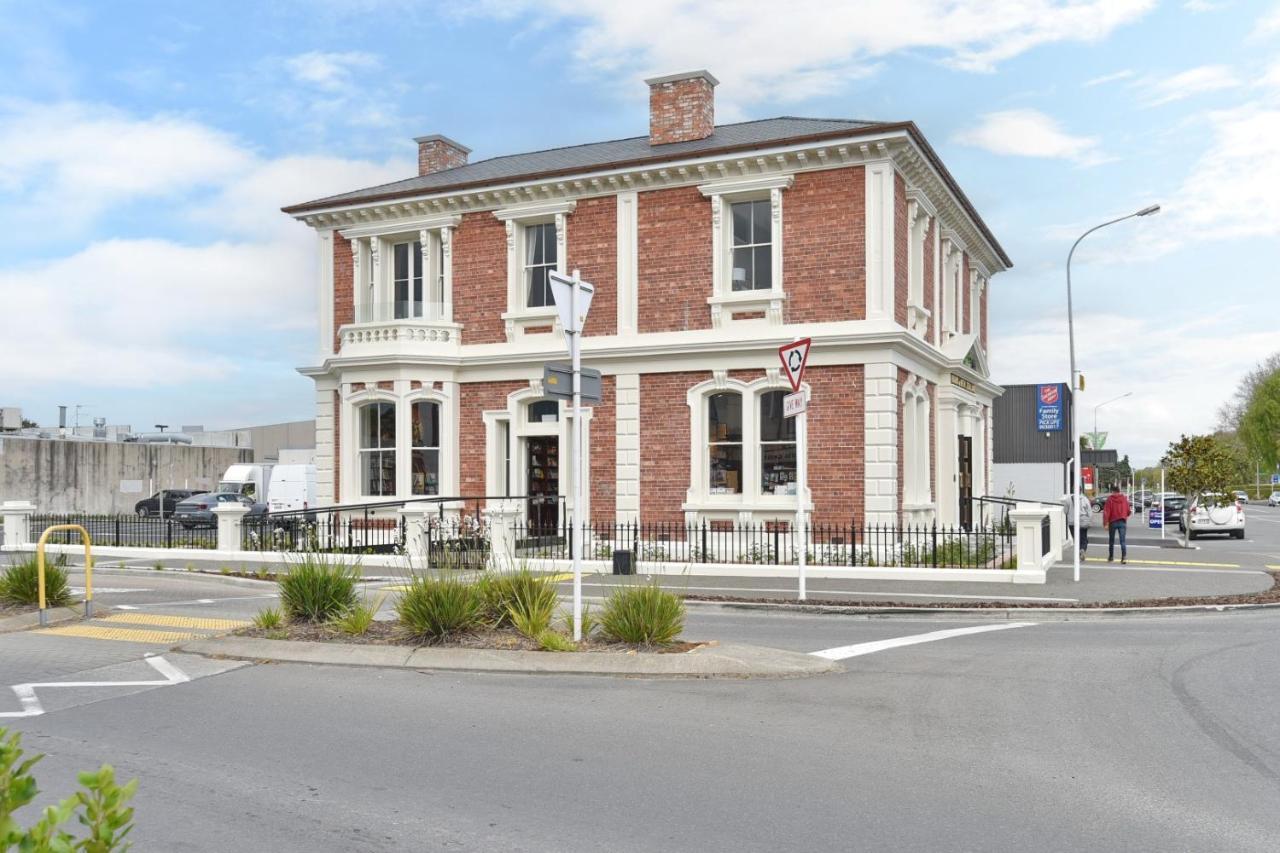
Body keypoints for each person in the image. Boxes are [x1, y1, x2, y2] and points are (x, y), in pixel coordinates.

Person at [1102, 483, 1132, 564]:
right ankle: (1124, 558)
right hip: (1122, 522)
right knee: (1123, 541)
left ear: (1113, 491)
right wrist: (1124, 515)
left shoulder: (1110, 499)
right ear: (1119, 491)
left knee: (1111, 540)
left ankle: (1111, 557)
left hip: (1113, 522)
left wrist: (1105, 523)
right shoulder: (1124, 499)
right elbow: (1129, 511)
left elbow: (1106, 512)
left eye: (1112, 492)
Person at [1074, 490, 1093, 556]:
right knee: (1083, 536)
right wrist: (1090, 520)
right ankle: (1083, 549)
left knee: (1076, 536)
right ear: (1081, 491)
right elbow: (1089, 511)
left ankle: (1079, 549)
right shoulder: (1085, 499)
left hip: (1073, 520)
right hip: (1083, 519)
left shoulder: (1070, 498)